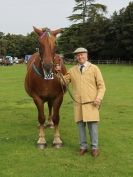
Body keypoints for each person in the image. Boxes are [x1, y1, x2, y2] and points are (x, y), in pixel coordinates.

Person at [56, 47, 106, 157]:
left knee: (93, 127)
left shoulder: (94, 68)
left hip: (92, 103)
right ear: (76, 57)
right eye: (78, 55)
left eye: (82, 54)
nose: (80, 57)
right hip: (78, 104)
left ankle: (94, 148)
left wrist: (99, 98)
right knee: (80, 127)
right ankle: (83, 147)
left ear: (86, 55)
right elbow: (63, 82)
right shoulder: (72, 70)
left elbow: (101, 86)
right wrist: (59, 73)